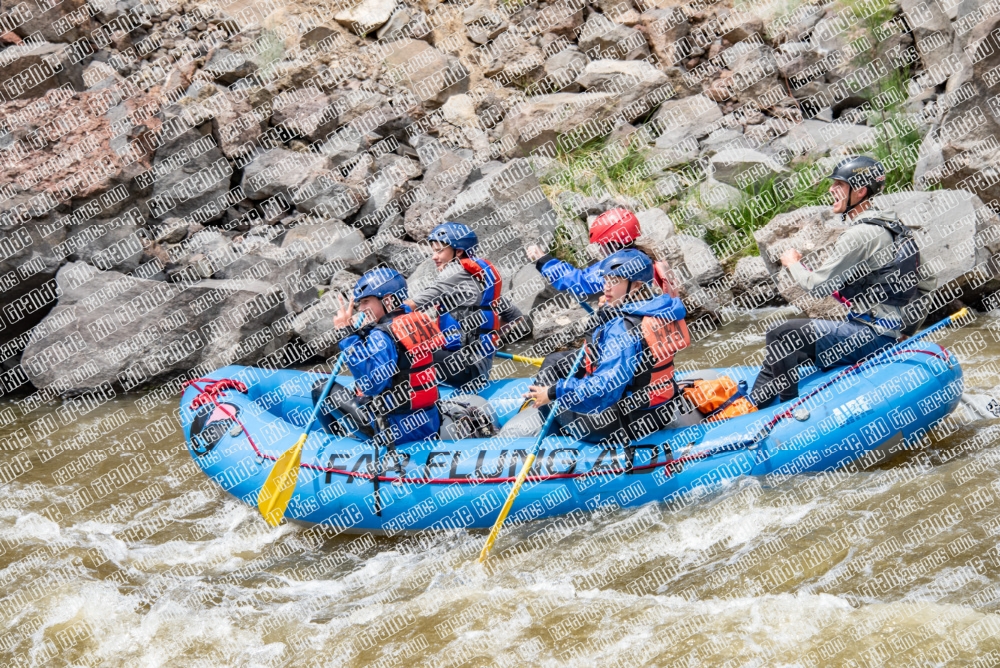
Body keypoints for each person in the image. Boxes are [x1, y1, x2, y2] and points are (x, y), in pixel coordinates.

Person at [749, 155, 933, 408]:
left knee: (782, 333)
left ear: (859, 191)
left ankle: (790, 410)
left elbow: (818, 286)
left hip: (871, 337)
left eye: (839, 184)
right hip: (885, 333)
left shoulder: (859, 234)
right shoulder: (896, 227)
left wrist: (792, 263)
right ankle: (753, 407)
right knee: (785, 355)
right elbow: (927, 284)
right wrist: (906, 332)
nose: (831, 190)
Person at [522, 249, 689, 444]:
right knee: (555, 362)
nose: (606, 288)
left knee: (550, 390)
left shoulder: (622, 328)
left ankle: (555, 447)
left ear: (636, 285)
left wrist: (553, 392)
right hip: (660, 412)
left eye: (615, 281)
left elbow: (604, 390)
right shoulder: (660, 308)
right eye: (606, 280)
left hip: (625, 424)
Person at [402, 222, 526, 391]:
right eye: (433, 251)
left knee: (404, 352)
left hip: (464, 369)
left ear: (458, 251)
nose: (434, 257)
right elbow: (515, 316)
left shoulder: (453, 272)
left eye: (439, 250)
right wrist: (488, 342)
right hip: (476, 369)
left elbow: (411, 306)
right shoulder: (480, 278)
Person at [330, 267, 444, 444]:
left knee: (321, 388)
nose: (361, 309)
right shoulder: (413, 320)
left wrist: (347, 337)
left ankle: (338, 444)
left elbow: (372, 385)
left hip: (394, 430)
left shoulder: (381, 335)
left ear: (388, 301)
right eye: (360, 303)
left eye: (366, 301)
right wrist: (357, 333)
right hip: (429, 422)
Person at [525, 208, 674, 299]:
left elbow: (582, 283)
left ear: (614, 243)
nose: (600, 250)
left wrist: (545, 261)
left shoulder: (619, 264)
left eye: (601, 244)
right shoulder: (642, 256)